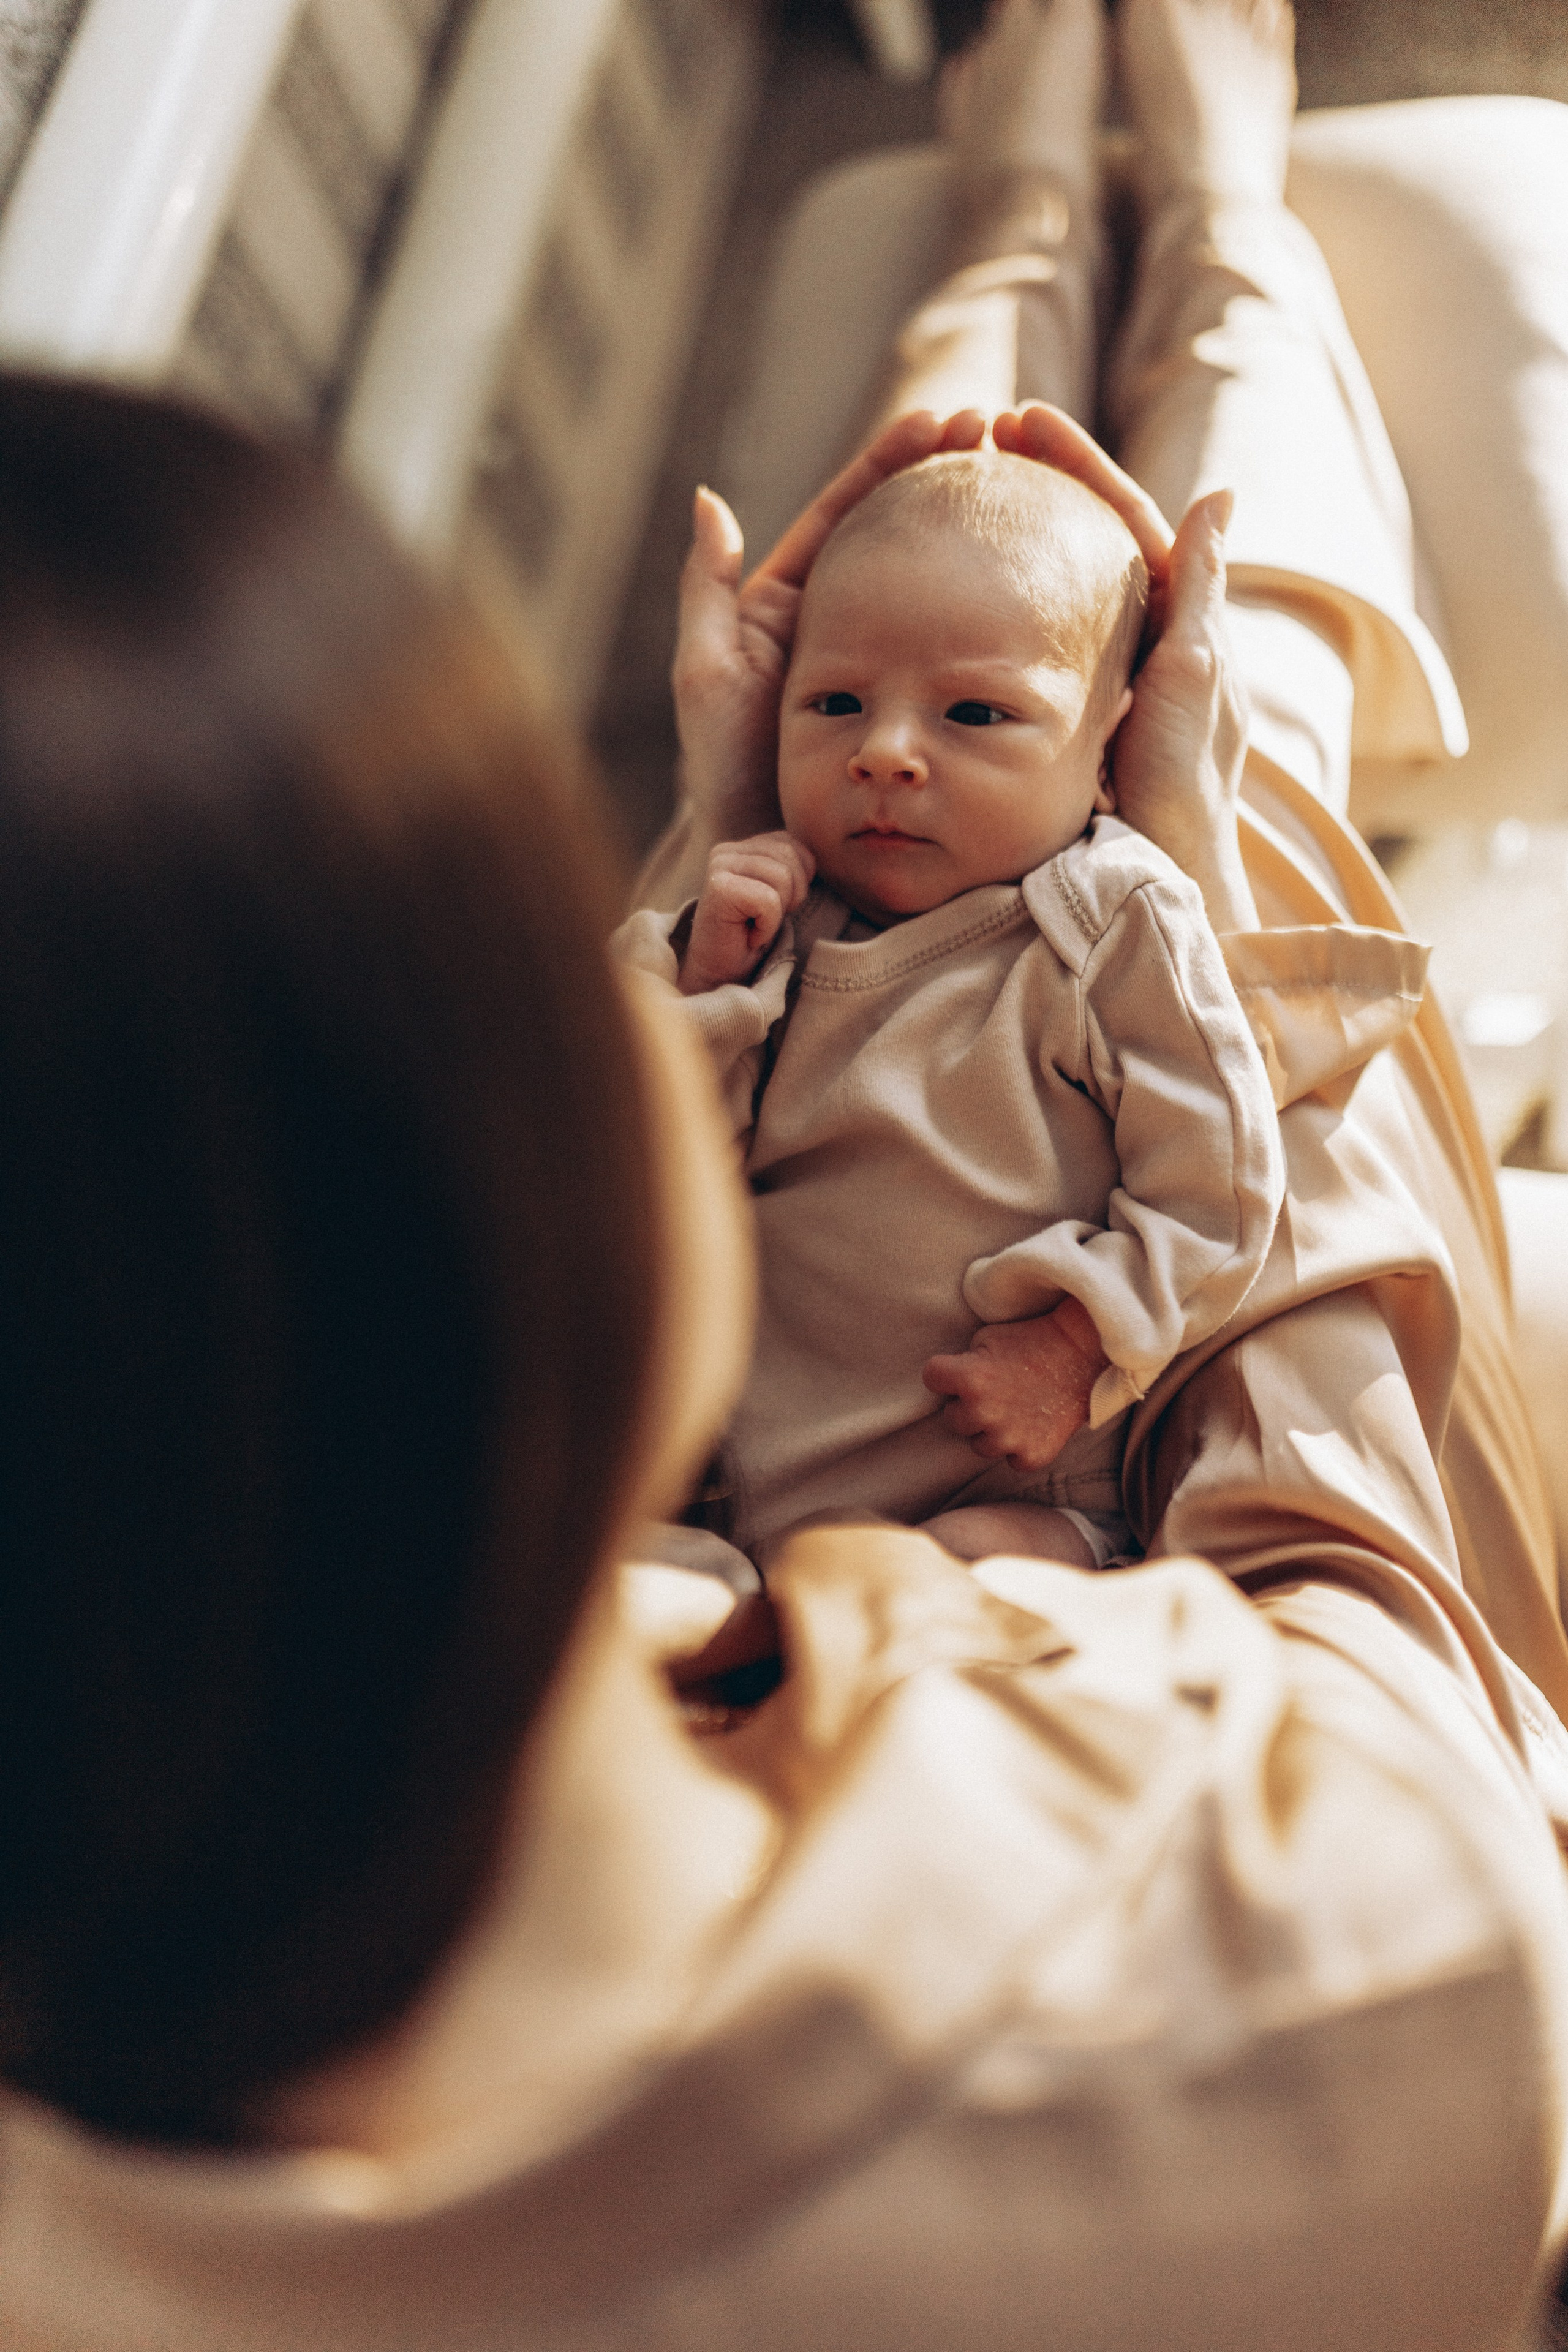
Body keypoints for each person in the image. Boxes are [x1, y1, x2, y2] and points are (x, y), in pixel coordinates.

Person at [4, 2, 1568, 2350]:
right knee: (1224, 712)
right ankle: (1206, 240)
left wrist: (742, 798)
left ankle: (1022, 231)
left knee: (935, 595)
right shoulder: (1340, 1937)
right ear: (483, 1242)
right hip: (1096, 1386)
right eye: (538, 979)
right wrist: (1170, 842)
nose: (614, 981)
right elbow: (1327, 1484)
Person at [619, 447, 1285, 1572]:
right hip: (726, 1471)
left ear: (1108, 753)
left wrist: (1077, 1345)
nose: (882, 753)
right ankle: (748, 1617)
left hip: (994, 1473)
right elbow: (632, 1171)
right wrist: (708, 993)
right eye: (834, 703)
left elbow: (1222, 1173)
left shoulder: (1108, 922)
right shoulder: (766, 911)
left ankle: (777, 1626)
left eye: (975, 712)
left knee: (975, 1565)